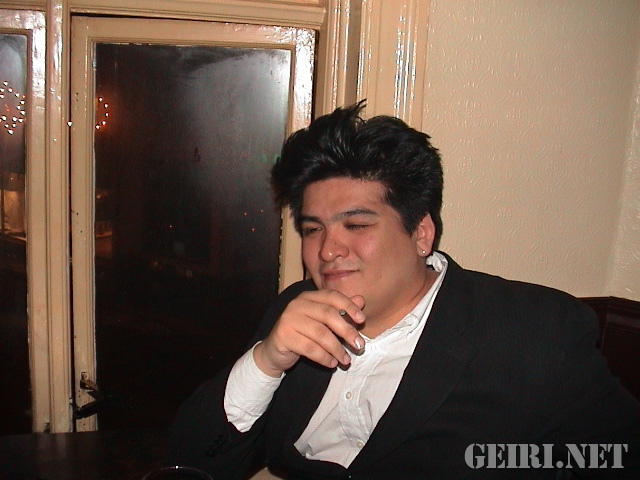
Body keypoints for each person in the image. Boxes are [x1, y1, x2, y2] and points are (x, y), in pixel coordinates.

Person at [169, 102, 640, 479]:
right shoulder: (293, 312)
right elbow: (192, 462)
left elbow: (618, 455)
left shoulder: (535, 330)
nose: (327, 250)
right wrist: (267, 361)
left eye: (356, 224)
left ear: (420, 233)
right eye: (312, 229)